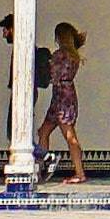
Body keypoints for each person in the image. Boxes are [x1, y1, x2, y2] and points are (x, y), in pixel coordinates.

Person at [38, 20, 89, 186]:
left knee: (69, 136)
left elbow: (51, 75)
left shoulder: (60, 55)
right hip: (66, 94)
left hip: (61, 97)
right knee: (44, 130)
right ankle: (41, 168)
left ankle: (79, 173)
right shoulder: (73, 56)